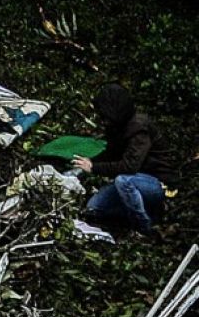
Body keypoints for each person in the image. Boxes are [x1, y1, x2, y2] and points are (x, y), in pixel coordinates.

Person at [73, 83, 180, 235]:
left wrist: (94, 168)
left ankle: (145, 226)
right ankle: (145, 211)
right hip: (136, 181)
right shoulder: (117, 127)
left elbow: (129, 167)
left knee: (123, 181)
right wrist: (89, 163)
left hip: (158, 183)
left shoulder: (139, 129)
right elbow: (111, 153)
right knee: (93, 207)